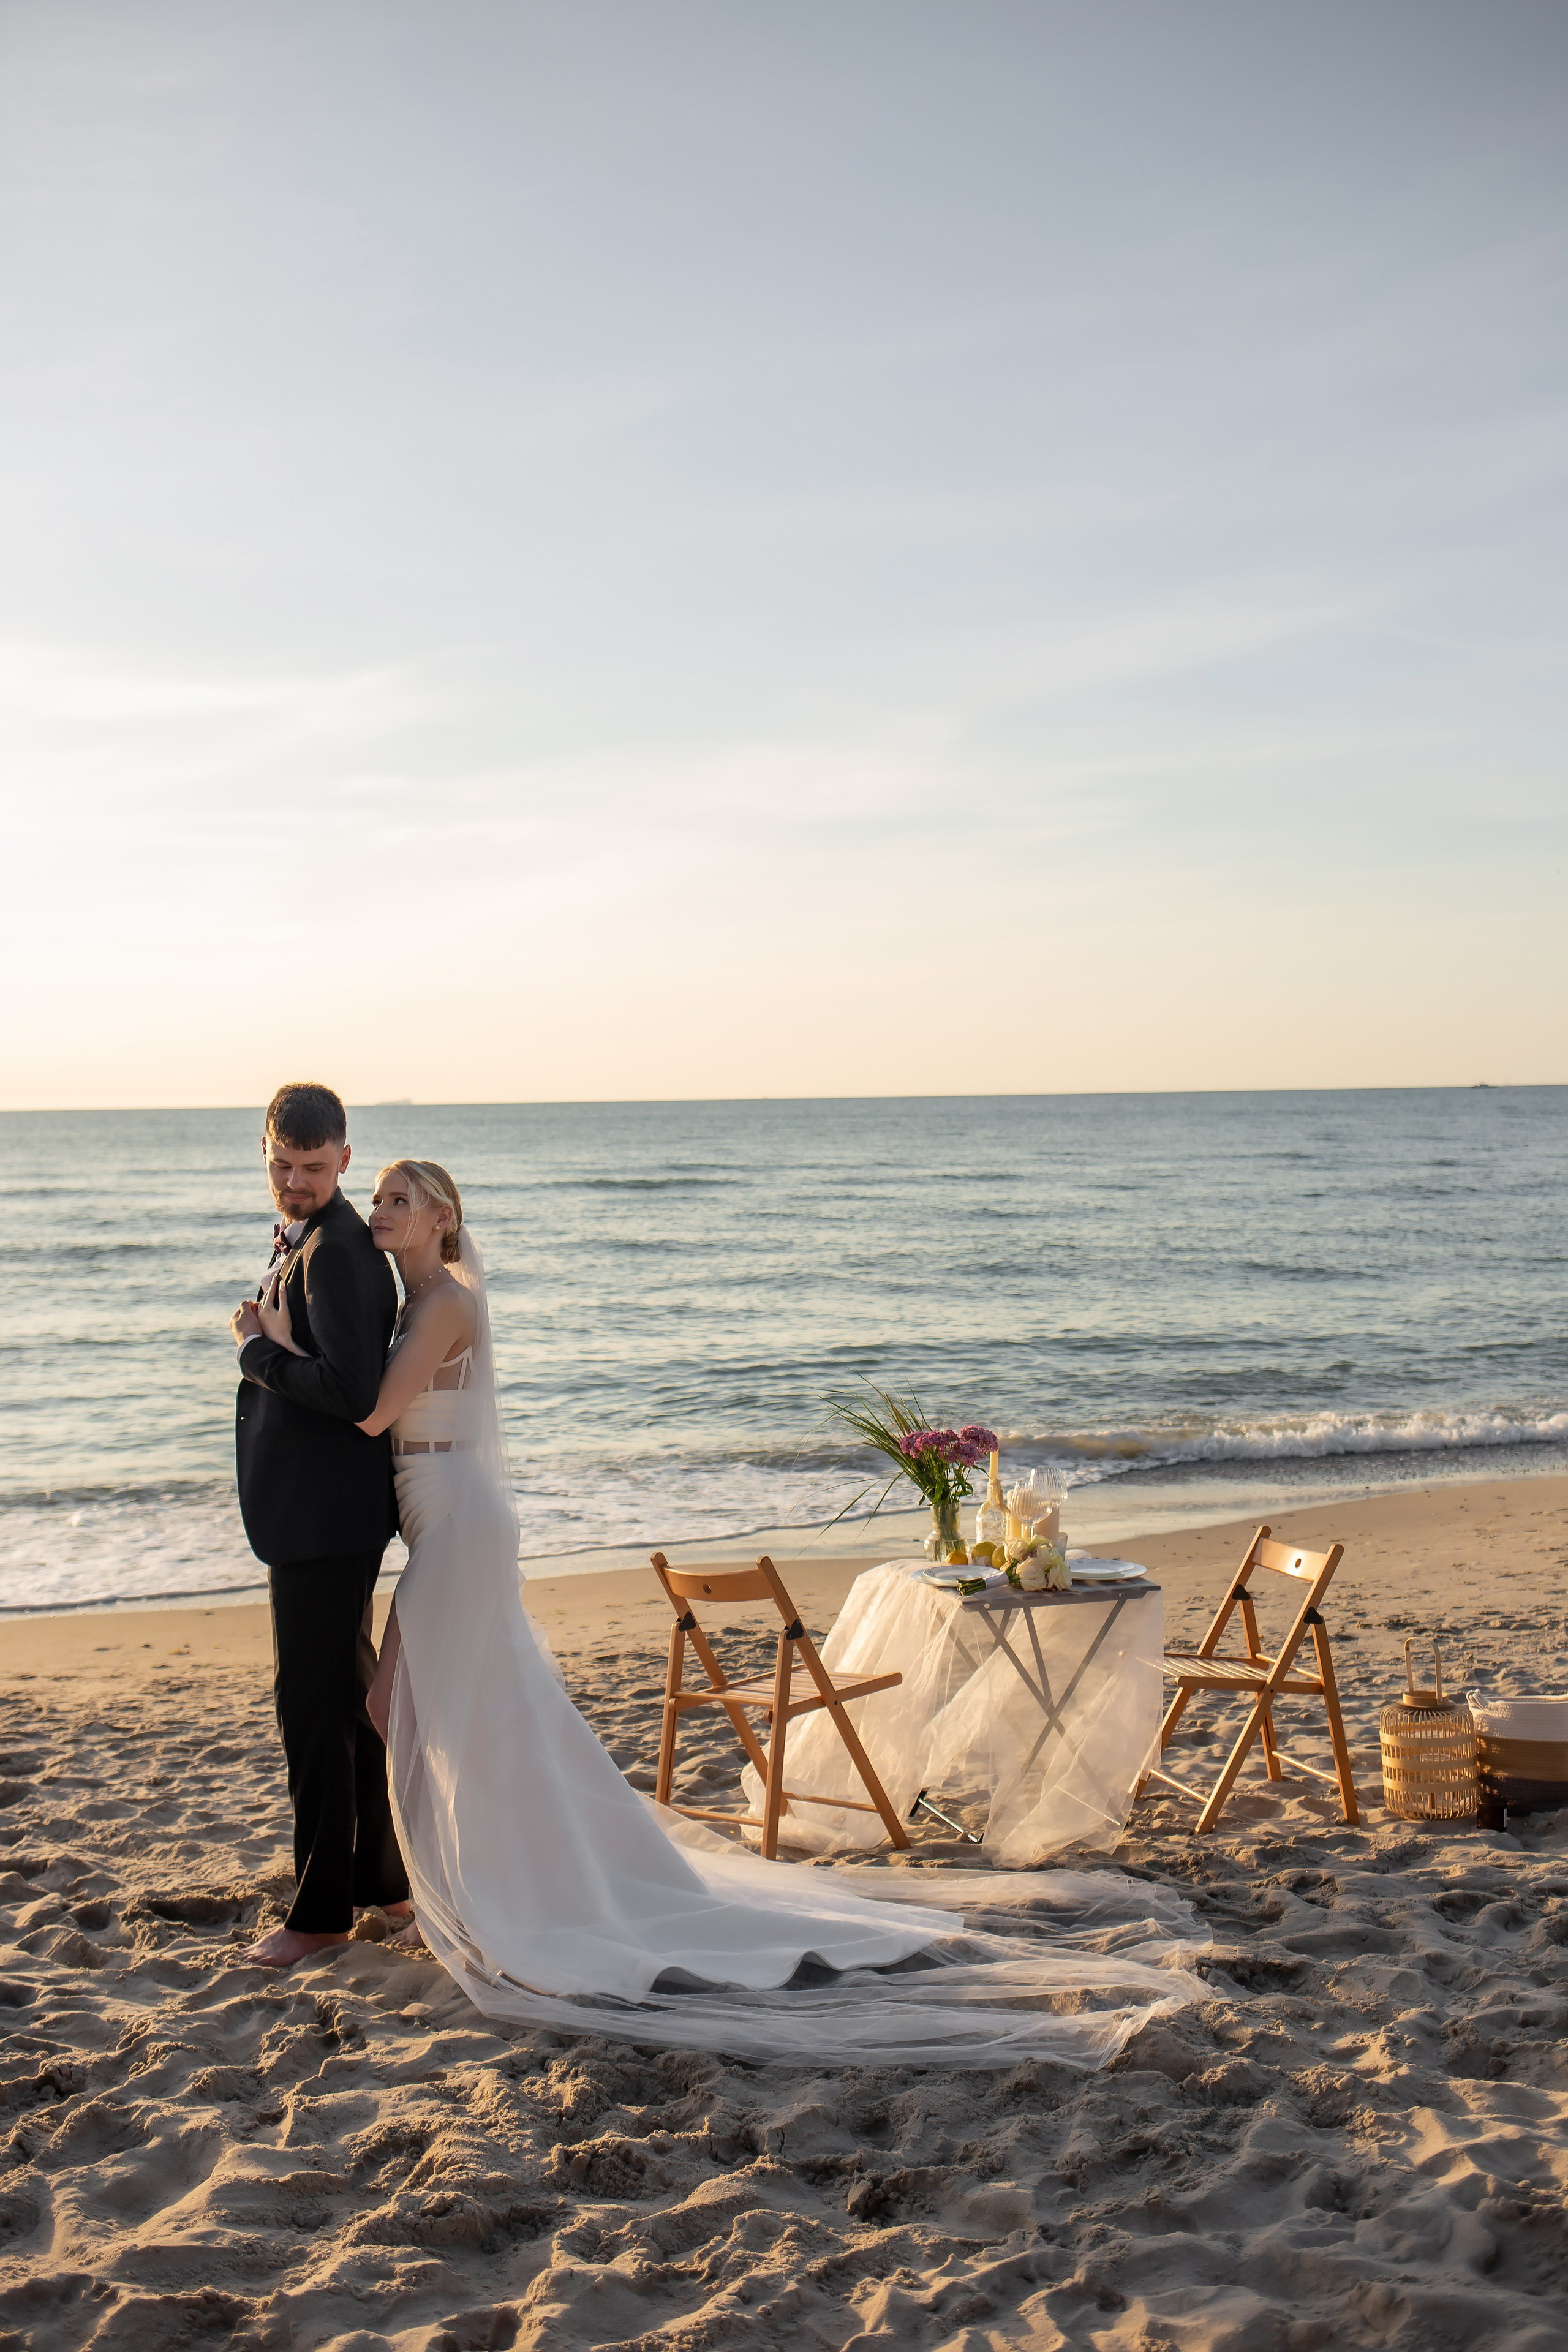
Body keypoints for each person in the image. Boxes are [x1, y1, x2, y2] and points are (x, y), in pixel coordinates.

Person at [253, 1155, 1204, 2067]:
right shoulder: (416, 1300)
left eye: (398, 1197)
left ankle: (474, 1885)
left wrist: (276, 1345)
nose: (378, 1209)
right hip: (441, 1522)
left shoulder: (446, 1303)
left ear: (441, 1216)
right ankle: (451, 1882)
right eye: (376, 1197)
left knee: (399, 1708)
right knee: (456, 1707)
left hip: (457, 1527)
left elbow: (373, 1414)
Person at [229, 1082, 411, 1968]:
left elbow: (352, 1393)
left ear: (344, 1156)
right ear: (265, 1150)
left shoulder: (338, 1250)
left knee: (311, 1714)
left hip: (323, 1520)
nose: (296, 1182)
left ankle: (319, 1918)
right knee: (348, 1707)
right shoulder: (315, 1239)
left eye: (312, 1167)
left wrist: (255, 1351)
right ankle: (385, 1885)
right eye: (283, 1165)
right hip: (322, 1515)